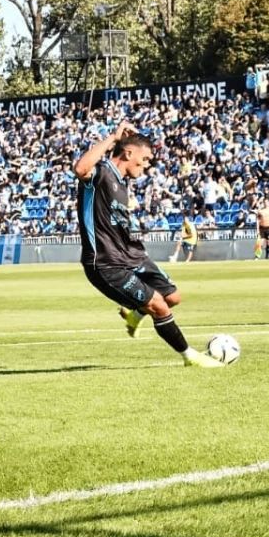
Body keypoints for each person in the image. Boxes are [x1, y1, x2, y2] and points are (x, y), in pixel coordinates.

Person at [75, 121, 222, 367]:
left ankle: (133, 316)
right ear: (128, 153)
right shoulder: (100, 174)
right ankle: (190, 357)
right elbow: (80, 168)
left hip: (132, 256)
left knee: (173, 297)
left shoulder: (122, 182)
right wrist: (113, 136)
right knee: (159, 307)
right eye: (144, 160)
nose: (146, 166)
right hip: (107, 262)